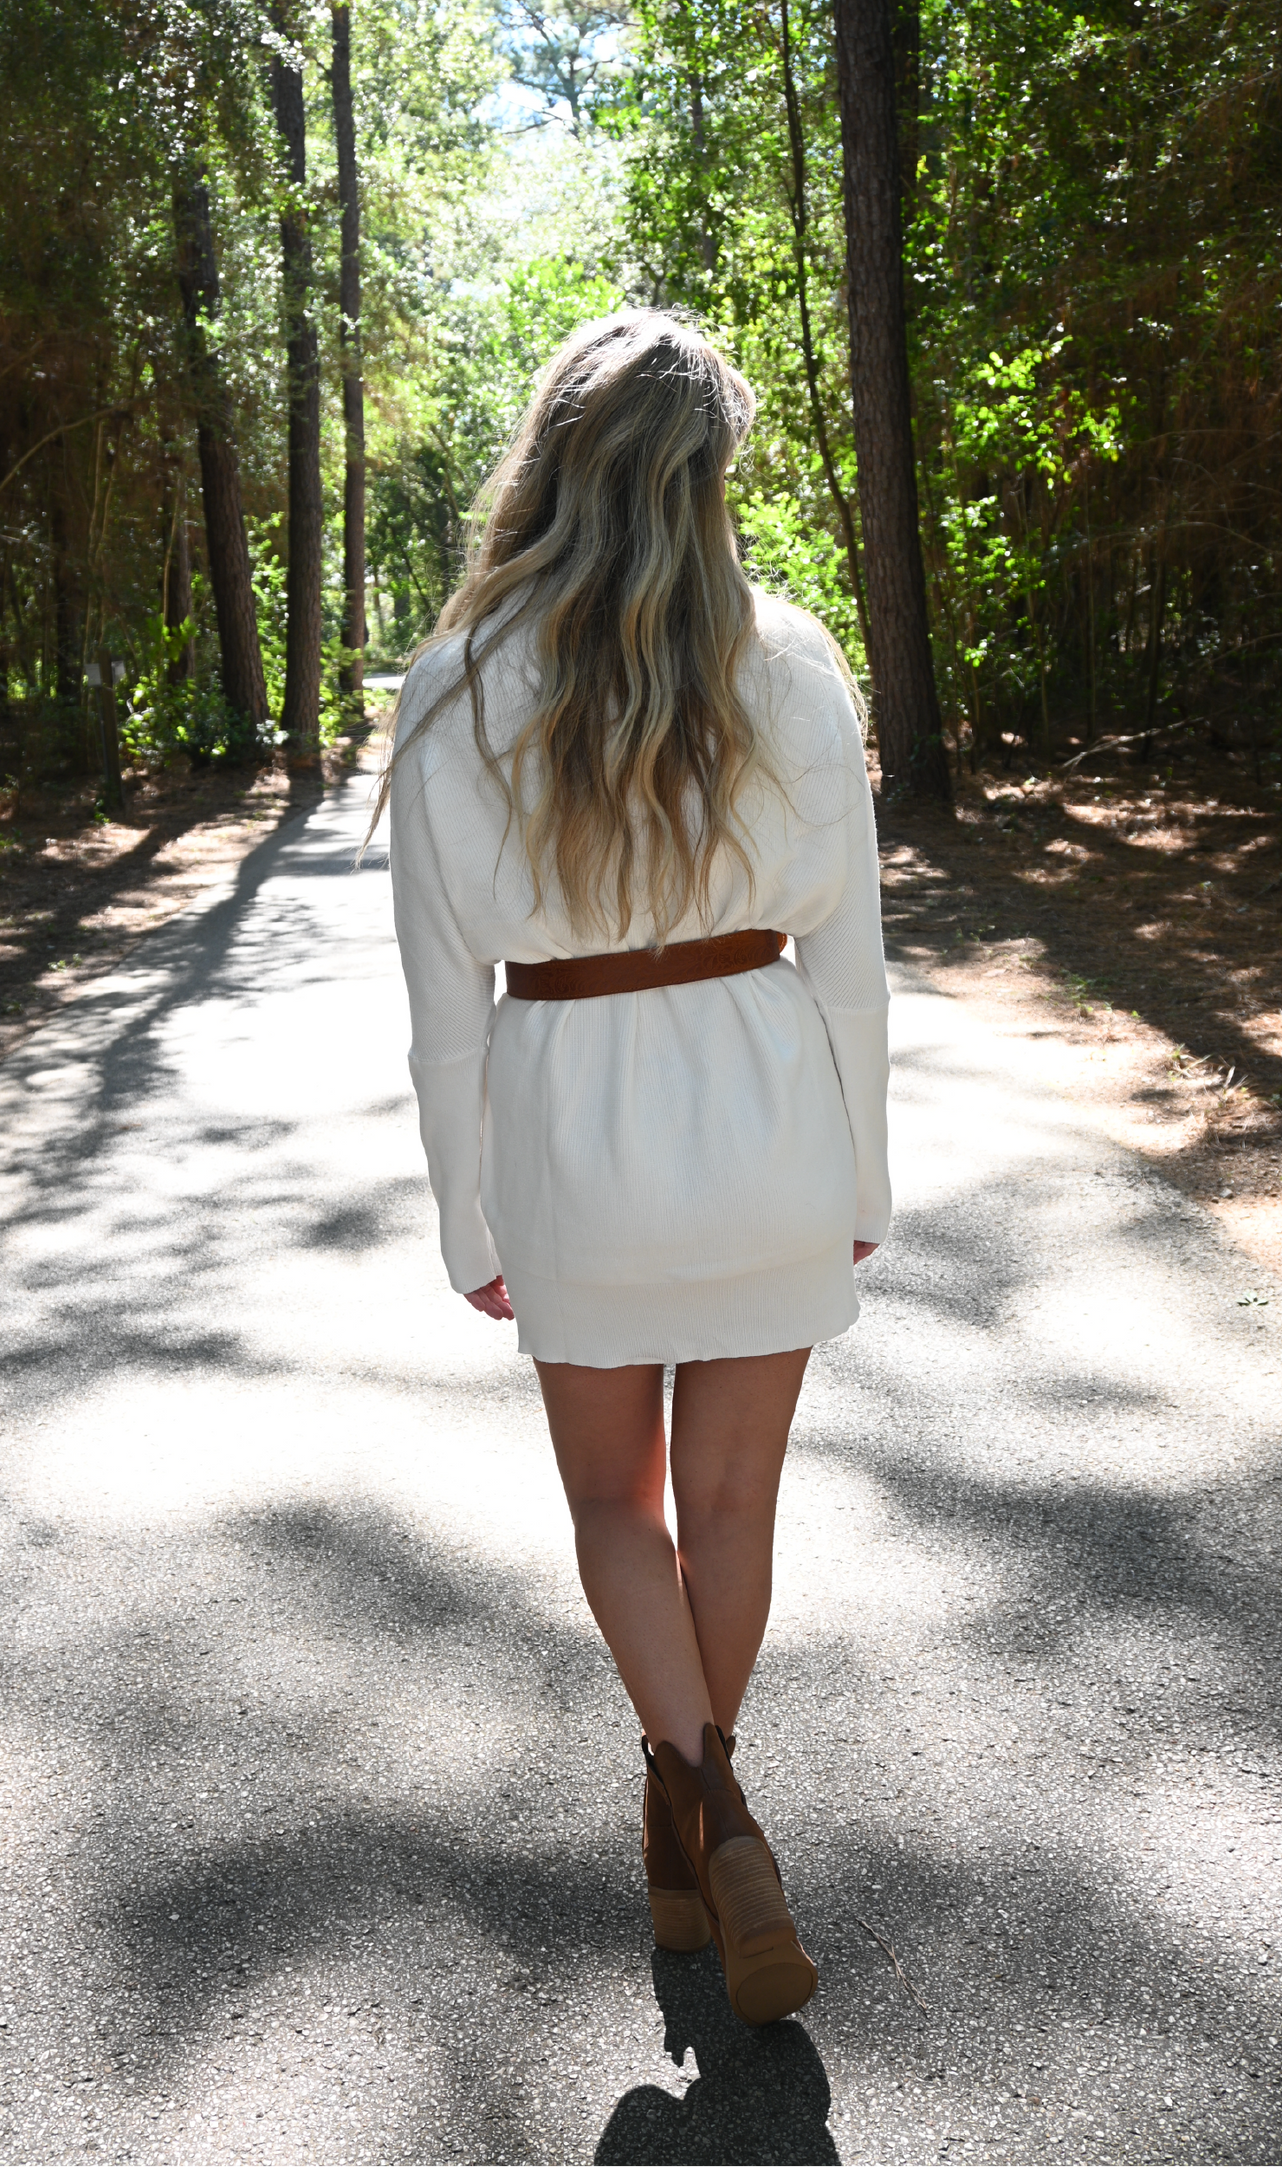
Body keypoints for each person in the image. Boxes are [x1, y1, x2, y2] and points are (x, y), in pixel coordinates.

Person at [380, 311, 889, 2027]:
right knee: (736, 1502)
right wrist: (865, 1180)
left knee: (618, 1503)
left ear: (550, 463)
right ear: (708, 476)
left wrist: (468, 1213)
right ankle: (706, 1815)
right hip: (766, 1118)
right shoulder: (797, 661)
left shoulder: (454, 684)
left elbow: (440, 1007)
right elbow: (852, 967)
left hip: (570, 1130)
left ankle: (710, 1812)